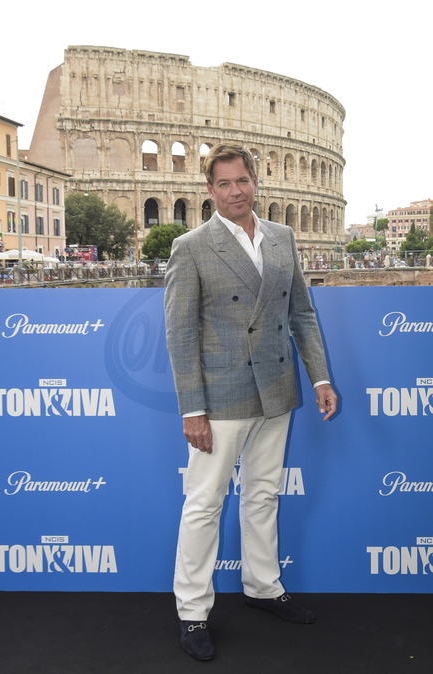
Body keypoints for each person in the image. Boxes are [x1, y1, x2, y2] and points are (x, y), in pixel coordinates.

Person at [164, 143, 337, 661]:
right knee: (204, 504)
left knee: (263, 495)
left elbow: (301, 314)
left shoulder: (283, 237)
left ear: (256, 182)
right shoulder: (191, 246)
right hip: (221, 397)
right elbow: (180, 334)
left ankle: (263, 587)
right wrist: (192, 409)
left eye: (242, 181)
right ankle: (193, 611)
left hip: (277, 388)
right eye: (224, 183)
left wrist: (320, 377)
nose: (235, 191)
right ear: (210, 190)